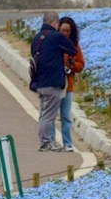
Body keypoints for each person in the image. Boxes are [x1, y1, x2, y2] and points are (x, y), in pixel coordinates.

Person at [30, 11, 77, 151]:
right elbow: (72, 49)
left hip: (40, 82)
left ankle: (45, 141)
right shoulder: (56, 36)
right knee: (48, 116)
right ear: (55, 23)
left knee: (44, 113)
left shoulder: (37, 38)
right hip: (53, 82)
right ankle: (45, 143)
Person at [51, 16, 85, 152]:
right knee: (51, 115)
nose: (65, 33)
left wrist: (71, 66)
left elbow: (81, 64)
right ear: (58, 29)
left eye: (67, 31)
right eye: (62, 30)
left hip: (68, 85)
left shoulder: (74, 45)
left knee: (65, 116)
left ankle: (68, 143)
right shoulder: (52, 43)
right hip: (53, 84)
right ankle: (51, 142)